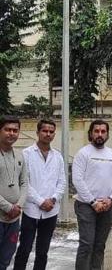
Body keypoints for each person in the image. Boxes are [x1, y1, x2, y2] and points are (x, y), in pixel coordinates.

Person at [13, 120, 66, 270]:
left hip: (51, 211)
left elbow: (62, 182)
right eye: (44, 131)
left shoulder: (58, 157)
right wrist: (41, 201)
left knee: (43, 252)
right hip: (31, 210)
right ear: (37, 133)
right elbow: (24, 183)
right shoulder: (26, 154)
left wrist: (54, 198)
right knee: (24, 248)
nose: (48, 134)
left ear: (54, 134)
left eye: (51, 132)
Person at [72, 119, 112, 270]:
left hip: (107, 206)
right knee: (87, 244)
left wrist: (111, 199)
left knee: (100, 245)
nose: (100, 134)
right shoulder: (83, 153)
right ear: (90, 133)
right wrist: (93, 202)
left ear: (107, 134)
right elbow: (77, 180)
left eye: (103, 131)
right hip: (86, 206)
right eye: (96, 131)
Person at [0, 116, 27, 270]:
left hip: (13, 219)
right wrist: (8, 207)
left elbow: (24, 183)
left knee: (6, 258)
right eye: (7, 129)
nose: (11, 133)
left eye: (15, 130)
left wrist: (18, 205)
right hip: (3, 214)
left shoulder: (19, 155)